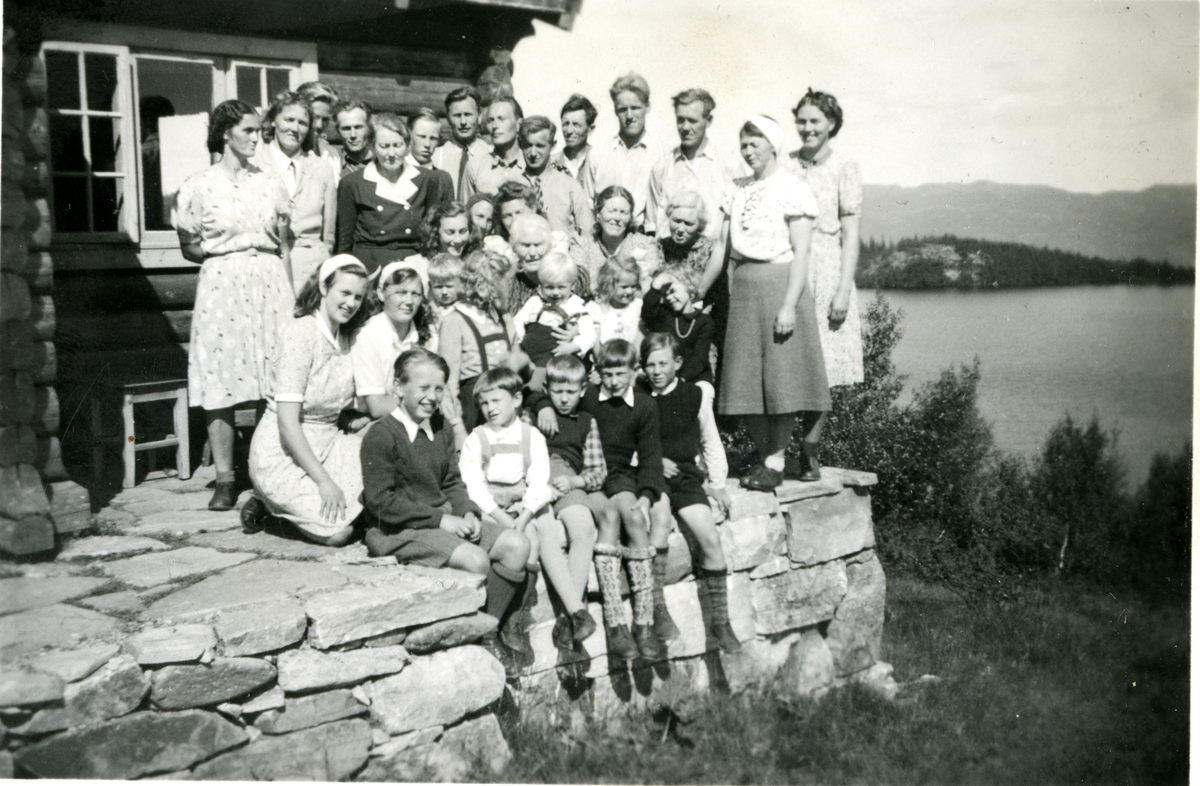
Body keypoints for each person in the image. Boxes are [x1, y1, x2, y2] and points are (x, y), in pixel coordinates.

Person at [360, 347, 534, 663]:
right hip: (399, 528)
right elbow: (380, 502)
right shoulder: (381, 435)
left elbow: (452, 480)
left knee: (517, 545)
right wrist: (441, 522)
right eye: (423, 388)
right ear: (399, 388)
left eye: (438, 389)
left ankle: (488, 628)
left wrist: (467, 509)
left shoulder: (440, 427)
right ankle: (479, 636)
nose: (432, 396)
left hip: (442, 516)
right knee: (476, 560)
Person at [172, 99, 293, 511]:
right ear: (226, 133)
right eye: (248, 131)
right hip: (222, 286)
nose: (257, 138)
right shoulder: (199, 185)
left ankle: (264, 472)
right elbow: (189, 245)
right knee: (221, 379)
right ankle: (226, 478)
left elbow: (284, 240)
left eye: (260, 131)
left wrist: (286, 288)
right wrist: (227, 260)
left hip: (270, 282)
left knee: (271, 377)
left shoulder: (272, 181)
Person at [533, 338, 667, 661]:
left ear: (635, 372)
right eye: (607, 374)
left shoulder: (625, 408)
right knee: (590, 522)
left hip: (600, 479)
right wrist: (542, 404)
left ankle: (642, 621)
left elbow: (626, 462)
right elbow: (540, 385)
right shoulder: (574, 403)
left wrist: (646, 497)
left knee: (624, 517)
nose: (614, 381)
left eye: (622, 373)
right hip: (561, 479)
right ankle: (599, 619)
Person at [713, 115, 828, 490]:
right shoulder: (738, 189)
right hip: (745, 288)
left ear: (773, 145)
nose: (748, 152)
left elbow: (802, 253)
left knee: (782, 381)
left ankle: (775, 460)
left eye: (755, 144)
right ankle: (766, 459)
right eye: (743, 145)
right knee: (746, 384)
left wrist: (789, 305)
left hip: (781, 285)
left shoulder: (792, 188)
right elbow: (724, 249)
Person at [245, 255, 370, 546]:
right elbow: (287, 424)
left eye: (358, 297)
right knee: (339, 534)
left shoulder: (346, 336)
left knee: (380, 453)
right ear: (324, 289)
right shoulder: (300, 334)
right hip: (284, 452)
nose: (351, 303)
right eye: (345, 293)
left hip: (330, 442)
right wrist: (324, 481)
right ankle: (271, 509)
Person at [640, 333, 740, 653]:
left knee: (709, 536)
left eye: (663, 363)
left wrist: (718, 483)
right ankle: (658, 609)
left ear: (678, 363)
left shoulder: (693, 395)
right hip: (651, 477)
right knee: (658, 521)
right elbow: (622, 441)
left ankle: (721, 622)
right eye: (650, 364)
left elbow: (709, 440)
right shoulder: (637, 395)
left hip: (685, 477)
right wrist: (653, 462)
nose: (656, 371)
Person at [784, 89, 865, 388]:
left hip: (827, 272)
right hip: (790, 269)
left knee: (826, 369)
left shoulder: (845, 167)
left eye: (815, 121)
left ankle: (812, 438)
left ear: (831, 122)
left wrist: (843, 289)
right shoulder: (784, 164)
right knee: (789, 362)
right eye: (801, 121)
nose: (807, 129)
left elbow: (850, 234)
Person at [458, 367, 550, 625]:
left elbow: (539, 480)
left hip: (520, 506)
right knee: (502, 544)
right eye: (484, 403)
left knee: (531, 540)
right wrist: (502, 520)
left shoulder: (532, 436)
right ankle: (500, 608)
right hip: (489, 506)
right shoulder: (476, 438)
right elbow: (473, 487)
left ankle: (519, 614)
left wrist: (523, 517)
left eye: (496, 401)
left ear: (517, 400)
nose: (490, 408)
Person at [536, 354, 607, 649]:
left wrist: (576, 482)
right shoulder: (536, 415)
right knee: (546, 532)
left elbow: (598, 470)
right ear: (547, 390)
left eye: (570, 392)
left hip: (568, 477)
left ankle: (570, 616)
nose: (563, 399)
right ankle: (577, 610)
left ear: (581, 391)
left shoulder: (587, 422)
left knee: (583, 527)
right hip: (536, 477)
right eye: (557, 392)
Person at [335, 113, 453, 273]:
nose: (391, 154)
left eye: (397, 145)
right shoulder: (352, 183)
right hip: (370, 267)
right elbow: (345, 243)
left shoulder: (426, 180)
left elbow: (431, 236)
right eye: (384, 146)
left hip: (412, 265)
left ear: (408, 145)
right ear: (371, 146)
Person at [258, 91, 337, 295]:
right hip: (267, 264)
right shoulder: (255, 164)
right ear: (274, 120)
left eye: (302, 123)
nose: (295, 128)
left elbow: (328, 233)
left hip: (312, 267)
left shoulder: (321, 168)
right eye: (289, 119)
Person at [438, 251, 520, 433]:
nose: (509, 288)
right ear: (486, 284)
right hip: (473, 408)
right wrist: (455, 423)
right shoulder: (455, 320)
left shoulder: (503, 318)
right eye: (505, 283)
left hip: (507, 404)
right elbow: (448, 379)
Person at [351, 259, 438, 420]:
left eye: (416, 294)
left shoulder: (427, 335)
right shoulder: (367, 336)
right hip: (377, 422)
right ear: (381, 293)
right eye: (401, 293)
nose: (409, 302)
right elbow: (377, 406)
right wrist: (425, 400)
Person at [646, 88, 731, 248]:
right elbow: (651, 224)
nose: (685, 127)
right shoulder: (661, 166)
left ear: (709, 120)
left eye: (692, 120)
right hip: (669, 260)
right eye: (680, 120)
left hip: (712, 261)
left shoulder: (727, 165)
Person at [583, 72, 658, 231]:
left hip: (643, 238)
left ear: (647, 107)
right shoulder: (598, 153)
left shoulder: (660, 155)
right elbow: (588, 205)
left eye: (636, 108)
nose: (629, 116)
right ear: (615, 111)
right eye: (623, 109)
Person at [513, 252, 594, 390]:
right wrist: (519, 339)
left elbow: (589, 335)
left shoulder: (575, 307)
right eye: (549, 287)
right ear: (540, 287)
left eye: (561, 287)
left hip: (551, 356)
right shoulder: (535, 302)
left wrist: (572, 347)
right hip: (526, 351)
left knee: (534, 385)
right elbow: (518, 320)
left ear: (572, 285)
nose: (555, 293)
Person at [514, 116, 593, 238]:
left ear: (553, 145)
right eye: (528, 146)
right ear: (520, 145)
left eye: (540, 146)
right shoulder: (513, 186)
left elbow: (588, 233)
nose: (533, 153)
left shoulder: (570, 186)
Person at [571, 185, 662, 290]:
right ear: (598, 214)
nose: (617, 218)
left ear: (630, 217)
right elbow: (579, 286)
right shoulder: (583, 246)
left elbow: (652, 286)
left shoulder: (646, 244)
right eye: (612, 211)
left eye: (624, 212)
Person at [642, 270, 715, 390]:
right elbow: (647, 314)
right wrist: (655, 288)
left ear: (690, 290)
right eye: (665, 295)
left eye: (672, 291)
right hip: (668, 375)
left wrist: (681, 379)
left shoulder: (704, 321)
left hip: (696, 377)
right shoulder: (666, 315)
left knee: (705, 391)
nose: (669, 298)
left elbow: (699, 358)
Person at [505, 213, 589, 314]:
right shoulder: (510, 283)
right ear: (514, 248)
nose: (532, 253)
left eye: (538, 245)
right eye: (525, 245)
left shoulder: (574, 275)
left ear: (549, 245)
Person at [432, 87, 492, 201]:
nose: (463, 122)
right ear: (448, 118)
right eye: (457, 115)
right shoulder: (436, 157)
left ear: (479, 117)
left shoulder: (491, 154)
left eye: (468, 114)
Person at [656, 191, 717, 302]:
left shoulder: (712, 250)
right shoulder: (660, 246)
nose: (680, 229)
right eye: (677, 221)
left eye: (688, 224)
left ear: (700, 224)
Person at [464, 96, 525, 197]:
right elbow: (467, 208)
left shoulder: (531, 164)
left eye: (501, 119)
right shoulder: (475, 166)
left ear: (519, 124)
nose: (495, 125)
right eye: (490, 120)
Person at [585, 256, 643, 357]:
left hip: (633, 361)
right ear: (608, 285)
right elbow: (595, 341)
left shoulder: (638, 305)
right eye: (624, 287)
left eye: (633, 286)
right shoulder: (596, 308)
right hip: (603, 361)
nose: (629, 291)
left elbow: (639, 337)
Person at [297, 81, 343, 183]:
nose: (319, 125)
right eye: (314, 117)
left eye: (325, 119)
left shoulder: (332, 154)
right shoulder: (288, 153)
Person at [553, 94, 597, 183]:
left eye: (576, 125)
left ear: (590, 129)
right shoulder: (550, 164)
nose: (569, 131)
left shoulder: (599, 162)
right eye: (566, 124)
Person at [336, 100, 374, 177]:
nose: (353, 135)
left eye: (358, 127)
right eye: (346, 129)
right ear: (338, 131)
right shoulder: (333, 163)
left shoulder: (381, 160)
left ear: (369, 128)